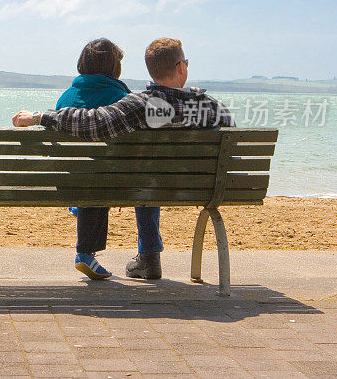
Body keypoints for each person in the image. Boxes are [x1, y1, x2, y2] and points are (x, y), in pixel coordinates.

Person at [13, 37, 234, 280]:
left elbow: (93, 122)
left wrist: (40, 117)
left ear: (152, 70)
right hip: (202, 190)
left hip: (142, 188)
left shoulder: (139, 105)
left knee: (145, 176)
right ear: (181, 67)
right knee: (148, 175)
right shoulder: (214, 109)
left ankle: (148, 257)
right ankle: (149, 255)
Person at [56, 38, 131, 280]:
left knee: (90, 174)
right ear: (114, 68)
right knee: (99, 177)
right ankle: (85, 253)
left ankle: (79, 208)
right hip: (105, 178)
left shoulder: (65, 98)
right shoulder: (119, 96)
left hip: (67, 179)